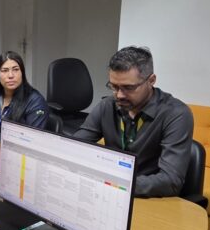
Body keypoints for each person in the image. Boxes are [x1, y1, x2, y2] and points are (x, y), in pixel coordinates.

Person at [73, 46, 194, 197]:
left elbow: (170, 182)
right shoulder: (107, 105)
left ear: (151, 80)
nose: (119, 95)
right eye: (114, 86)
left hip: (150, 199)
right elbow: (74, 146)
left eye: (128, 88)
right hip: (109, 193)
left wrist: (112, 183)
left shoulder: (176, 114)